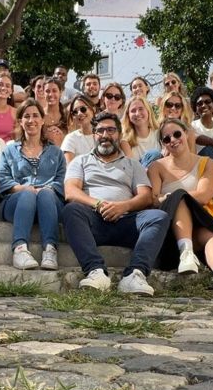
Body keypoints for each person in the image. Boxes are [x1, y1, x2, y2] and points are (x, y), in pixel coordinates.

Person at [62, 112, 171, 295]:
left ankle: (135, 275)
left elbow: (145, 196)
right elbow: (71, 191)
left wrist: (123, 206)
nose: (105, 135)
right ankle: (95, 272)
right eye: (100, 131)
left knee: (158, 216)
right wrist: (97, 204)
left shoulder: (132, 164)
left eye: (111, 130)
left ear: (119, 134)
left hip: (126, 221)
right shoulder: (80, 161)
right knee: (71, 210)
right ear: (94, 135)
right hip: (93, 221)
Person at [148, 119, 213, 297]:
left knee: (211, 236)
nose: (173, 139)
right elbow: (153, 200)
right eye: (166, 138)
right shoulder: (156, 167)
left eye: (177, 134)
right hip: (170, 231)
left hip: (201, 222)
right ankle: (185, 252)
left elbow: (204, 195)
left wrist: (171, 197)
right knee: (179, 197)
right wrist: (172, 198)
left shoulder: (207, 163)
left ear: (187, 134)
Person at [0, 100, 66, 270]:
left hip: (48, 204)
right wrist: (25, 189)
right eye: (26, 116)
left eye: (35, 115)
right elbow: (3, 179)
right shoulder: (9, 150)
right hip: (17, 202)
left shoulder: (56, 152)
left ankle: (50, 250)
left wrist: (45, 189)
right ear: (20, 121)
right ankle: (20, 250)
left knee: (47, 193)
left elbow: (61, 180)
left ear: (42, 120)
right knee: (28, 194)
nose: (31, 120)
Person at [191, 87, 213, 160]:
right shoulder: (192, 126)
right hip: (200, 165)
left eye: (208, 101)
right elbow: (196, 137)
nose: (203, 105)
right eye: (199, 103)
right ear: (196, 109)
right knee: (209, 150)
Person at [121, 96, 159, 160]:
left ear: (148, 111)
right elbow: (131, 168)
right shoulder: (125, 141)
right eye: (133, 110)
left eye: (141, 109)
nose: (137, 113)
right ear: (128, 115)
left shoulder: (159, 133)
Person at [61, 94, 96, 163]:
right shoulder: (71, 139)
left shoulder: (103, 134)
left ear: (93, 109)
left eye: (83, 109)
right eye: (75, 112)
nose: (79, 113)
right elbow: (69, 167)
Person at [39, 76, 67, 147]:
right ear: (43, 93)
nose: (51, 94)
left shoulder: (68, 115)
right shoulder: (39, 114)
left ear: (60, 92)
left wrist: (61, 137)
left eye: (54, 91)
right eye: (47, 91)